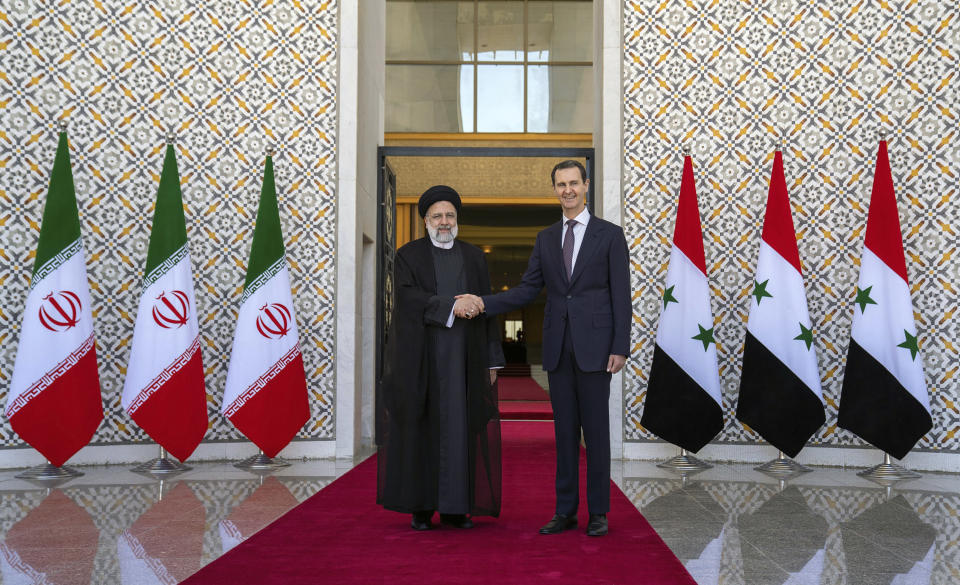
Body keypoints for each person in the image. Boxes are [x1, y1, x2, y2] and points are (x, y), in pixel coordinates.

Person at [459, 160, 630, 537]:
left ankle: (598, 513)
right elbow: (526, 290)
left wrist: (621, 346)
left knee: (596, 434)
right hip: (557, 350)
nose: (567, 189)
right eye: (560, 184)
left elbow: (621, 294)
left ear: (586, 186)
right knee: (565, 434)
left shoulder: (610, 235)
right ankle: (565, 511)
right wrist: (484, 302)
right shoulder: (546, 238)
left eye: (573, 182)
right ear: (553, 189)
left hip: (597, 349)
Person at [376, 185, 504, 531]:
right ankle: (422, 506)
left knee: (462, 429)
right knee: (423, 430)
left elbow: (489, 308)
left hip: (466, 360)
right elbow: (407, 298)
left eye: (449, 216)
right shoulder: (408, 256)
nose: (444, 222)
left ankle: (456, 508)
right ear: (425, 221)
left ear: (456, 220)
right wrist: (452, 305)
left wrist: (493, 360)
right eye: (437, 216)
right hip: (423, 361)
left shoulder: (475, 257)